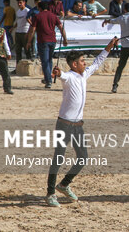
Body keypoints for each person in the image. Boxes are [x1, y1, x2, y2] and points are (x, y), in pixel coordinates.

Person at [44, 37, 118, 207]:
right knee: (59, 157)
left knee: (83, 157)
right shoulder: (69, 76)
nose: (85, 63)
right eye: (82, 61)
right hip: (65, 123)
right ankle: (50, 193)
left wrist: (110, 46)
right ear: (74, 64)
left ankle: (63, 184)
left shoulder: (84, 74)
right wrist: (57, 72)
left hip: (78, 125)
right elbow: (61, 75)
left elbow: (98, 61)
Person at [26, 1, 68, 89]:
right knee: (49, 60)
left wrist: (29, 41)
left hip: (42, 41)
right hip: (53, 41)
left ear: (39, 8)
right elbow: (61, 28)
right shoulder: (53, 16)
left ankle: (48, 81)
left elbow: (33, 30)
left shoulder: (37, 16)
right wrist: (65, 39)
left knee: (45, 61)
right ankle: (47, 78)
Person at [14, 0, 31, 65]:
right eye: (18, 3)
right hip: (18, 32)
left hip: (25, 32)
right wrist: (13, 28)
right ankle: (18, 66)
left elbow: (31, 21)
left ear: (24, 3)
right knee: (18, 51)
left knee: (27, 50)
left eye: (20, 2)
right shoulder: (18, 11)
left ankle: (29, 65)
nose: (19, 4)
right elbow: (18, 21)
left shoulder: (27, 11)